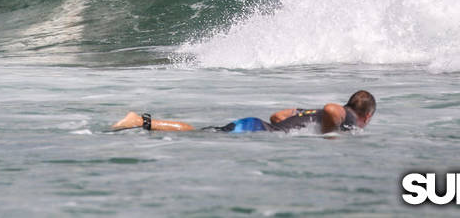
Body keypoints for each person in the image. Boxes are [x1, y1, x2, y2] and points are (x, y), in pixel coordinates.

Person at [110, 90, 376, 134]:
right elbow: (332, 109)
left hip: (257, 126)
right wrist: (330, 138)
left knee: (203, 134)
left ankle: (141, 122)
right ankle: (139, 120)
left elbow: (278, 116)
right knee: (197, 135)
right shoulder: (350, 118)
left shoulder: (311, 112)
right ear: (367, 116)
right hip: (255, 130)